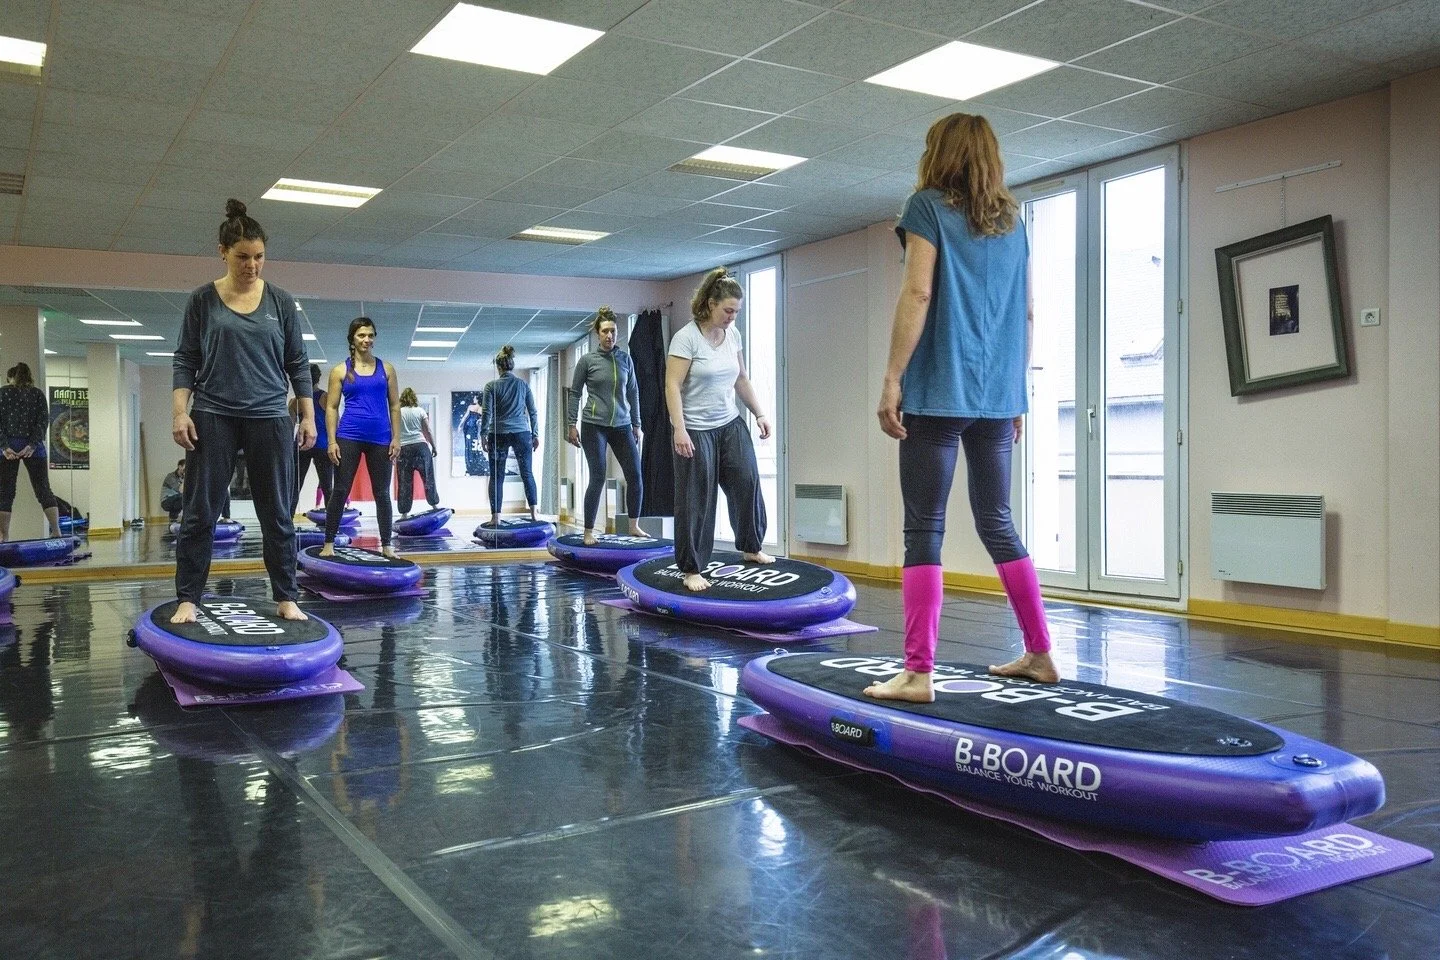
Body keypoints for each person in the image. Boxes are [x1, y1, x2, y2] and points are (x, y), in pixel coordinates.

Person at [865, 113, 1058, 704]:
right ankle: (1041, 654)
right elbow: (1026, 312)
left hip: (939, 391)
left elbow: (918, 291)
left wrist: (892, 377)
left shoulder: (925, 206)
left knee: (924, 526)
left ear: (939, 154)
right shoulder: (1014, 220)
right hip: (997, 397)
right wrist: (1015, 392)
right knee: (997, 521)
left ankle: (919, 672)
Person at [172, 198, 315, 624]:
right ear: (222, 252)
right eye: (242, 257)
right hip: (214, 413)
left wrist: (307, 416)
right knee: (201, 512)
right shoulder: (202, 300)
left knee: (277, 513)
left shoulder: (281, 302)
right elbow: (185, 359)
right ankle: (188, 599)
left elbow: (297, 363)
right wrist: (181, 412)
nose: (252, 266)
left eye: (259, 257)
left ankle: (286, 596)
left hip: (270, 415)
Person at [665, 268, 774, 592]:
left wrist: (759, 413)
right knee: (696, 499)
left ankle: (751, 546)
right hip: (696, 429)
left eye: (737, 312)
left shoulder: (733, 336)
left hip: (729, 424)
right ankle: (692, 568)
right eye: (728, 311)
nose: (732, 317)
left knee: (747, 480)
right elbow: (672, 384)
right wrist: (679, 429)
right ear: (710, 304)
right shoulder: (686, 337)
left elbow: (741, 378)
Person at [321, 317, 400, 557]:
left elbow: (395, 406)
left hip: (381, 438)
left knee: (382, 493)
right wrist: (332, 441)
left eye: (370, 335)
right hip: (349, 435)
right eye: (361, 335)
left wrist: (397, 438)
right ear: (352, 340)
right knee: (340, 490)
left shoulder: (386, 369)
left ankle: (386, 545)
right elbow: (332, 407)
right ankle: (328, 544)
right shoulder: (340, 370)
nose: (367, 340)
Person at [567, 306, 643, 545]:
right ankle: (588, 531)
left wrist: (637, 424)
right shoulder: (587, 361)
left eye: (613, 331)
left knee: (635, 475)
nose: (609, 335)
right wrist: (571, 424)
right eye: (605, 331)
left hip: (622, 424)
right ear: (597, 334)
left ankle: (634, 526)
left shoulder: (625, 359)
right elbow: (575, 393)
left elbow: (633, 392)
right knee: (598, 476)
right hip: (594, 424)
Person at [0, 362, 61, 540]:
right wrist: (32, 445)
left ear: (10, 377)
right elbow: (43, 422)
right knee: (43, 490)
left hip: (7, 449)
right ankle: (56, 531)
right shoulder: (37, 394)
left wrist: (4, 446)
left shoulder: (2, 394)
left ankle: (4, 536)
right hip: (34, 449)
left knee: (5, 492)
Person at [480, 346, 539, 527]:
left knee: (497, 476)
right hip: (522, 433)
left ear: (498, 367)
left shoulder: (491, 386)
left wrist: (483, 434)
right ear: (511, 365)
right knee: (527, 473)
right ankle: (534, 515)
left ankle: (495, 517)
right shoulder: (523, 385)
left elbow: (486, 412)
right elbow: (532, 412)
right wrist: (535, 434)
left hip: (498, 434)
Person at [291, 362, 332, 514]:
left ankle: (287, 520)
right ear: (318, 378)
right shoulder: (325, 397)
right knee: (328, 486)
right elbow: (334, 422)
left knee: (295, 486)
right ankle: (331, 525)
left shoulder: (296, 401)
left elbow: (289, 426)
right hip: (321, 445)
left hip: (301, 444)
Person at [396, 388, 440, 517]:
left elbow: (393, 433)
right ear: (414, 399)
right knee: (428, 477)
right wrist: (434, 446)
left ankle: (404, 513)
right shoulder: (420, 411)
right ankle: (434, 505)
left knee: (404, 482)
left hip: (404, 449)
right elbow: (428, 431)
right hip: (421, 447)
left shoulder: (398, 412)